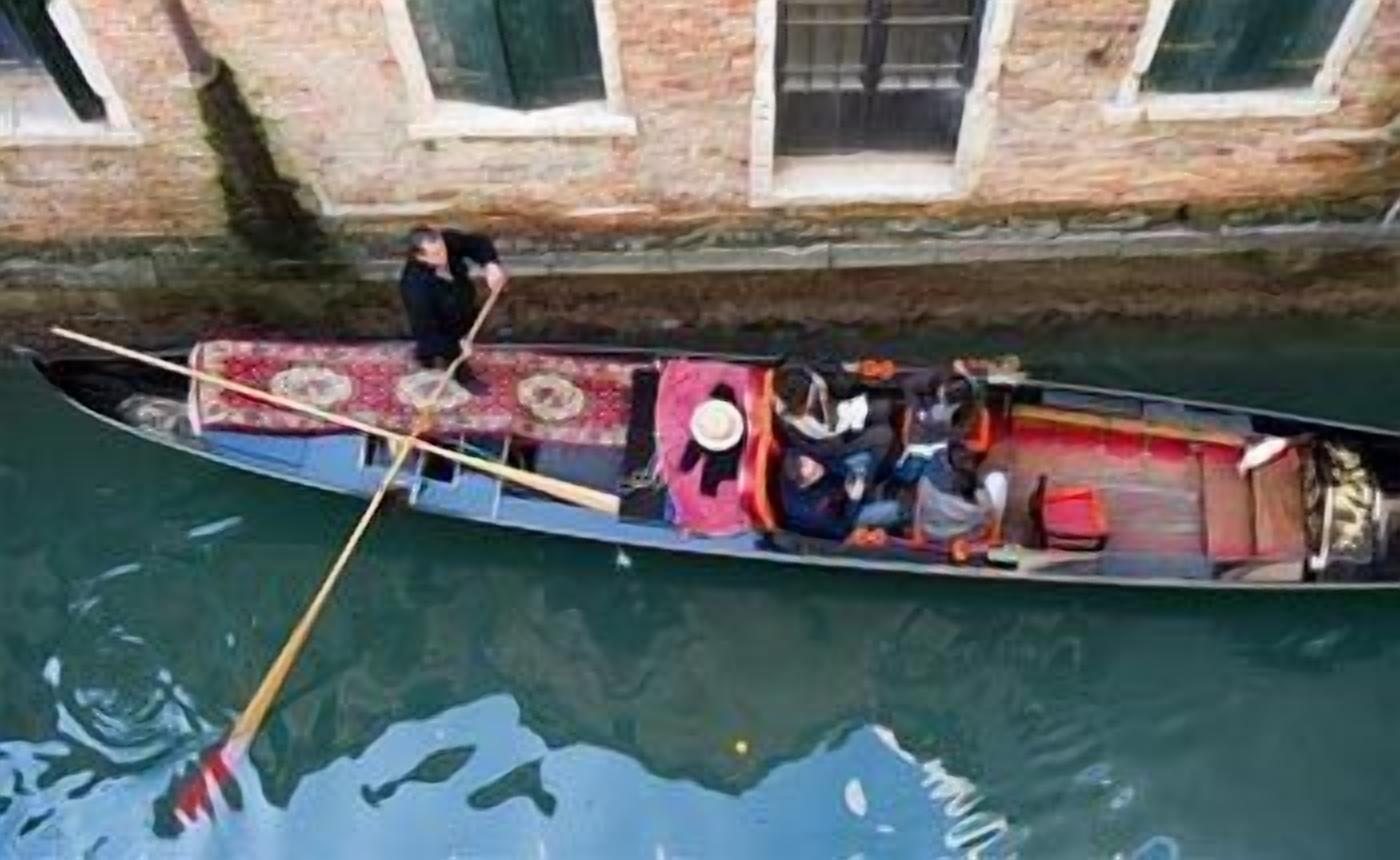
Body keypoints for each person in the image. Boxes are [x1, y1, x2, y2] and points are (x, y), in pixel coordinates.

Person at [399, 225, 509, 391]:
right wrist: (456, 347)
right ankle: (461, 375)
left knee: (468, 325)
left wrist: (490, 264)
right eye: (435, 254)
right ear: (419, 256)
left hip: (461, 300)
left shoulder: (447, 241)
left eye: (442, 248)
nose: (443, 256)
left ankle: (430, 355)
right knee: (437, 347)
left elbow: (477, 243)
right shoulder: (415, 288)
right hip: (441, 320)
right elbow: (429, 330)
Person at [778, 425, 897, 541]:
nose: (820, 469)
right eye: (814, 473)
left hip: (840, 487)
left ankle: (877, 486)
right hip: (844, 516)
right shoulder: (812, 512)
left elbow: (829, 464)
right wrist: (854, 499)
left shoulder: (796, 457)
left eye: (814, 464)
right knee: (894, 509)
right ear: (804, 485)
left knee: (866, 457)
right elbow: (841, 530)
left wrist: (849, 477)